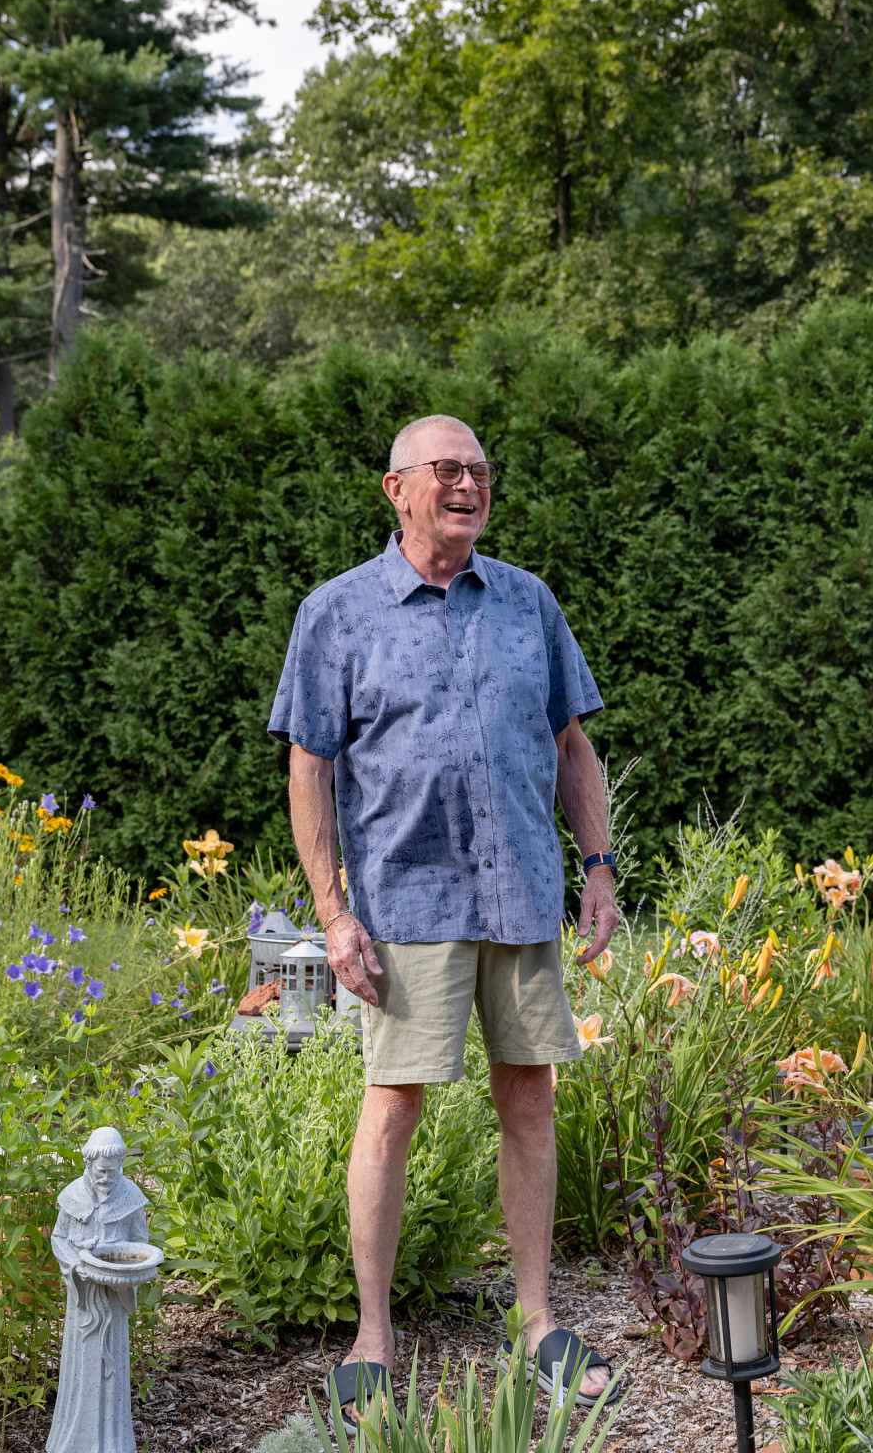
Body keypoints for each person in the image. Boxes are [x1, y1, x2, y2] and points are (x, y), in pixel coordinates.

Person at [269, 413, 626, 1414]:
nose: (467, 484)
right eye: (446, 469)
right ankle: (372, 1334)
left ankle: (537, 1320)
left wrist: (596, 866)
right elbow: (309, 764)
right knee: (392, 1105)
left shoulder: (527, 603)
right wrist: (333, 913)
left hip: (518, 888)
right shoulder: (336, 614)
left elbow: (569, 745)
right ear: (396, 490)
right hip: (405, 900)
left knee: (529, 1096)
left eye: (478, 469)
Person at [47, 1126, 150, 1453]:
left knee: (113, 1370)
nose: (107, 1177)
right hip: (83, 1300)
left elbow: (141, 1242)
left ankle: (114, 1444)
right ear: (89, 1166)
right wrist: (77, 1262)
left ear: (121, 1166)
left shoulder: (130, 1197)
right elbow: (58, 1238)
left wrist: (114, 1251)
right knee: (81, 1371)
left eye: (113, 1171)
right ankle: (73, 1442)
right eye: (101, 1171)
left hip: (114, 1299)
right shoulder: (73, 1196)